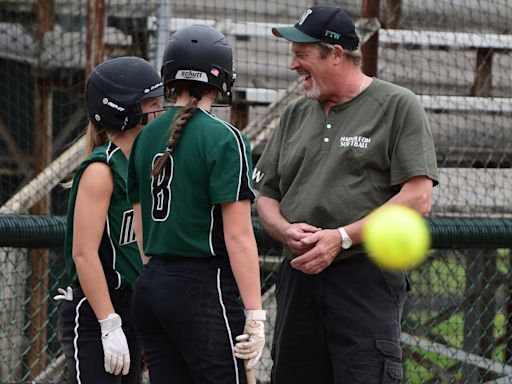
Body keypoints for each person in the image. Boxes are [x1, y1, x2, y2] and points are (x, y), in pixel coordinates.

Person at [253, 5, 439, 384]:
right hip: (298, 275)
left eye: (301, 54)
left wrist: (341, 238)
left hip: (364, 276)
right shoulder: (293, 114)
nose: (293, 65)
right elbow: (265, 196)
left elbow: (418, 198)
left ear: (335, 54)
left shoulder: (397, 105)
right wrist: (284, 230)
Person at [126, 24, 265, 384]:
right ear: (222, 80)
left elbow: (141, 230)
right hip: (202, 288)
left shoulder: (145, 137)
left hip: (152, 286)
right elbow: (238, 237)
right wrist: (255, 314)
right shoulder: (225, 138)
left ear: (169, 77)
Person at [56, 56, 164, 383]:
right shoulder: (101, 170)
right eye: (151, 101)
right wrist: (108, 323)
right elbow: (84, 253)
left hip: (132, 308)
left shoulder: (149, 162)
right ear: (124, 108)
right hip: (95, 312)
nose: (160, 108)